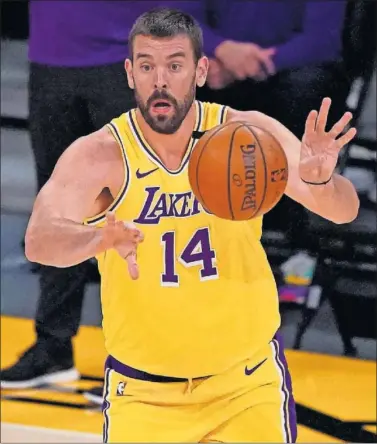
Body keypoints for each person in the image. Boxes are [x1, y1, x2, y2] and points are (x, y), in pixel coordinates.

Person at [23, 8, 359, 442]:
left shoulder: (248, 135)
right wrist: (97, 237)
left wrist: (320, 180)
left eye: (174, 65)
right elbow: (39, 240)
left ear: (200, 70)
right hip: (144, 394)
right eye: (147, 66)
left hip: (245, 384)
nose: (159, 80)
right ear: (129, 73)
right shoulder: (99, 155)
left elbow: (343, 209)